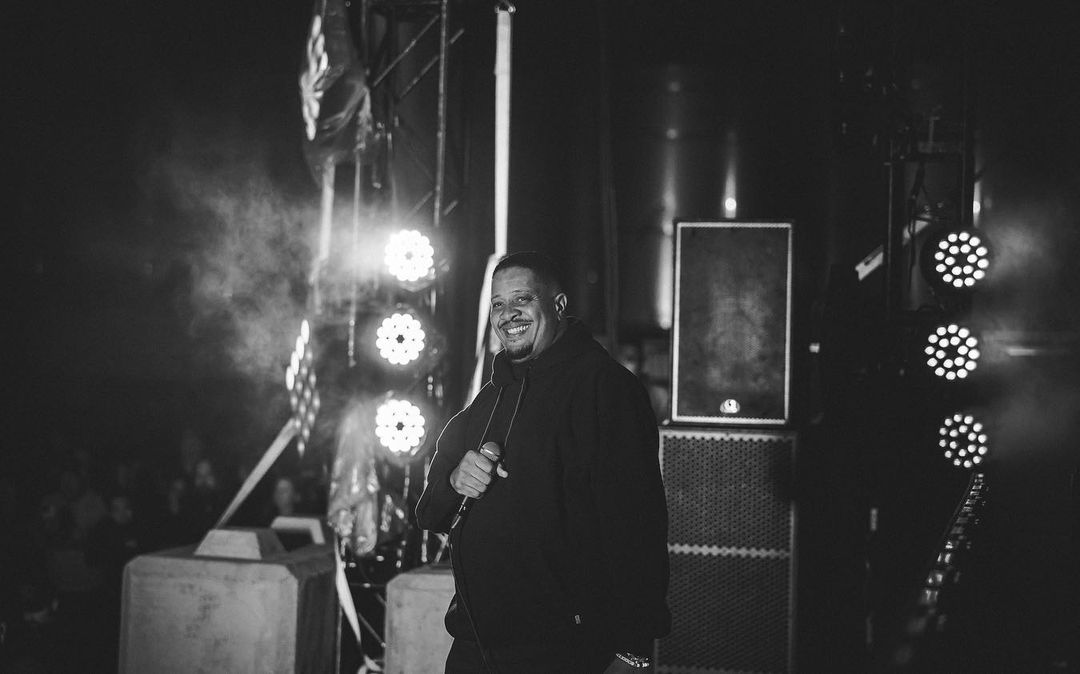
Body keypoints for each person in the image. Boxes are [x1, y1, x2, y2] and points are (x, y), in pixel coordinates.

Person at [416, 251, 670, 673]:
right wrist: (455, 481)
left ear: (558, 305)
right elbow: (430, 512)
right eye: (498, 303)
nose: (508, 314)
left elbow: (637, 524)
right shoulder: (488, 400)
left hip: (564, 651)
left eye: (523, 299)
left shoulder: (605, 388)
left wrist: (634, 648)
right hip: (476, 646)